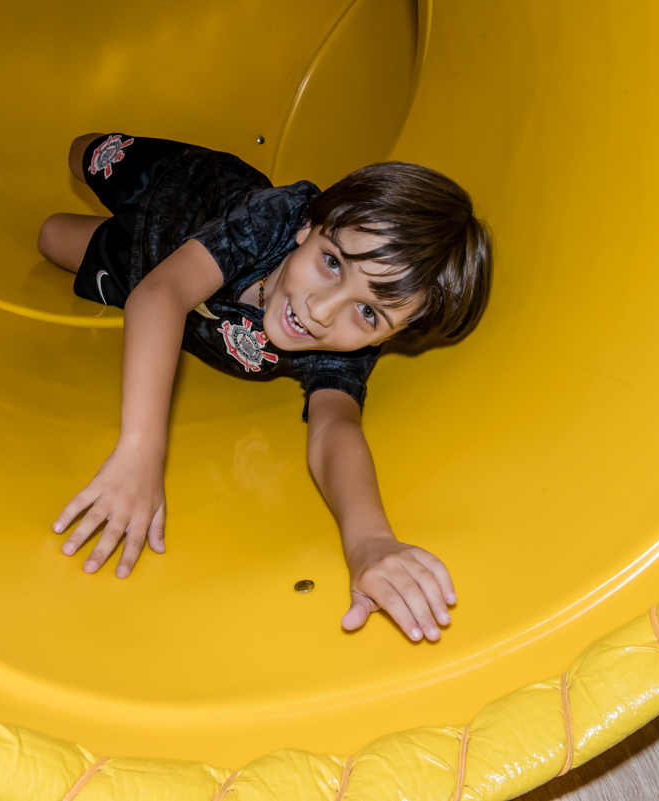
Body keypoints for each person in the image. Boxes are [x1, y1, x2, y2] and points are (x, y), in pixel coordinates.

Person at [39, 133, 492, 643]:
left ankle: (112, 233)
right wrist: (141, 449)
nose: (322, 311)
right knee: (80, 154)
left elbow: (334, 430)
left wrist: (369, 541)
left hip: (136, 266)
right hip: (175, 189)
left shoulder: (346, 349)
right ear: (309, 227)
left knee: (50, 237)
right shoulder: (269, 218)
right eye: (333, 263)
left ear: (395, 335)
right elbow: (163, 295)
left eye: (368, 312)